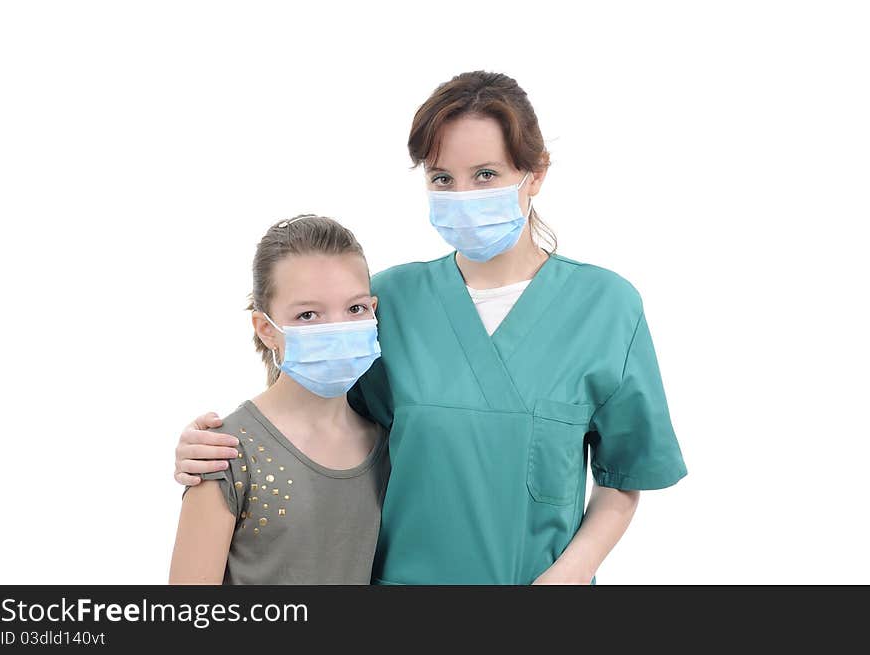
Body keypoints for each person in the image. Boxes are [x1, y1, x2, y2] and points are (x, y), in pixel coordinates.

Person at [174, 71, 687, 585]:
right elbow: (314, 418)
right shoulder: (385, 304)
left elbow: (623, 478)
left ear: (536, 173)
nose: (462, 195)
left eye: (485, 174)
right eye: (442, 178)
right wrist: (220, 453)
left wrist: (572, 572)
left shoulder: (607, 308)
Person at [169, 215, 390, 584]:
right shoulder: (224, 452)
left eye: (355, 309)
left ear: (373, 309)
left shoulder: (385, 446)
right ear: (267, 329)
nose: (336, 329)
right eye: (308, 315)